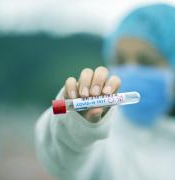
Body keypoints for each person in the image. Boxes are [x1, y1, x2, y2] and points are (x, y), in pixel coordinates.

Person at [35, 3, 175, 180]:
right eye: (120, 60)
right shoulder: (106, 132)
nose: (130, 72)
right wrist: (76, 125)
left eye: (146, 61)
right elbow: (64, 160)